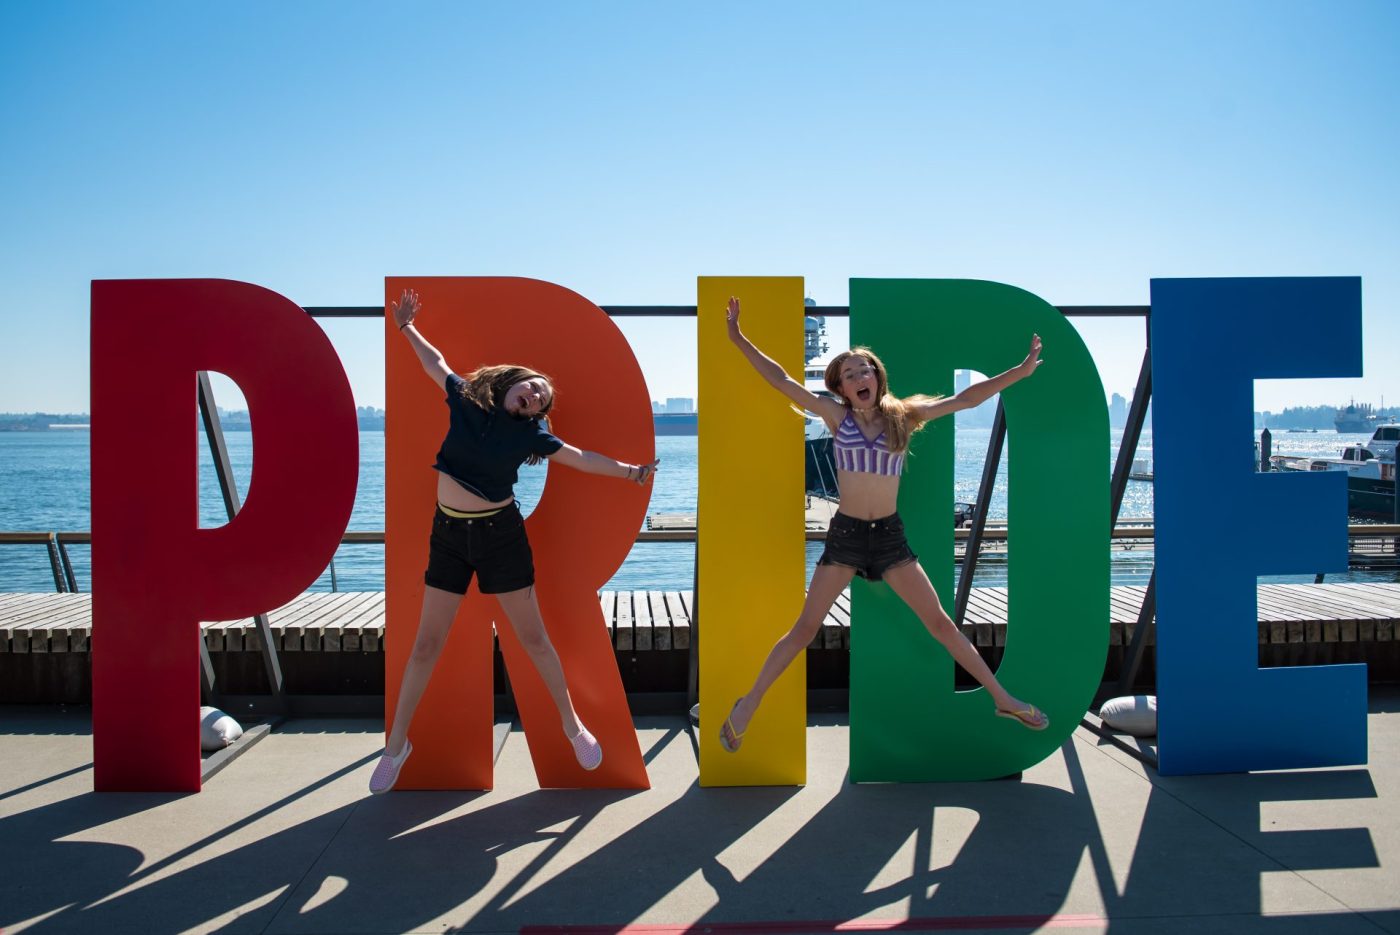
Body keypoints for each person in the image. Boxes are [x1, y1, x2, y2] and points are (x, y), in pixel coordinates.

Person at [718, 296, 1048, 754]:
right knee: (805, 629)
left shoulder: (903, 417)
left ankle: (1003, 699)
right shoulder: (837, 418)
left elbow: (967, 397)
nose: (859, 377)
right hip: (848, 536)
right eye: (849, 373)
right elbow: (783, 380)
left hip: (890, 538)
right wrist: (738, 338)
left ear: (878, 377)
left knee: (940, 623)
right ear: (841, 386)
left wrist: (1020, 371)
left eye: (865, 369)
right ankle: (749, 704)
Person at [370, 288, 659, 794]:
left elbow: (583, 457)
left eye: (541, 401)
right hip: (449, 536)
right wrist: (405, 327)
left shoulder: (531, 436)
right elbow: (435, 363)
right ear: (510, 383)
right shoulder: (465, 401)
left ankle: (573, 727)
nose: (534, 398)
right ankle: (396, 745)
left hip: (501, 538)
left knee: (533, 639)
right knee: (425, 647)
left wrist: (632, 473)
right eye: (531, 388)